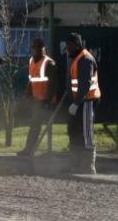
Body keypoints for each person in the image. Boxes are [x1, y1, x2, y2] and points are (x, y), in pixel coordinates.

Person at [65, 32, 101, 174]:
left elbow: (85, 85)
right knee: (74, 130)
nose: (68, 48)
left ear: (77, 45)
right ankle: (76, 163)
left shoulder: (85, 59)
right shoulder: (77, 58)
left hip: (87, 101)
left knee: (86, 133)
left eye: (70, 45)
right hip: (79, 101)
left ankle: (88, 165)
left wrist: (76, 103)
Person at [17, 38, 58, 157]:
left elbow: (54, 85)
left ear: (44, 49)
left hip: (46, 101)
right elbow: (31, 80)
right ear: (32, 49)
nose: (37, 50)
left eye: (40, 48)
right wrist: (28, 95)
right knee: (34, 126)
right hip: (36, 100)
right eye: (35, 48)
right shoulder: (31, 61)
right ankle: (29, 150)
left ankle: (32, 151)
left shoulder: (49, 63)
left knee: (38, 126)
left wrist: (48, 100)